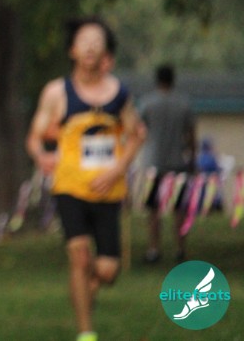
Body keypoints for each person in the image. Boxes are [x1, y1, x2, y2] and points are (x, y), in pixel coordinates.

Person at [25, 17, 146, 341]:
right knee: (79, 257)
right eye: (84, 40)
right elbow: (34, 137)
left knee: (107, 270)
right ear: (72, 50)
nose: (90, 46)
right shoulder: (57, 92)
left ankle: (83, 292)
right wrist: (41, 155)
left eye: (97, 41)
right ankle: (86, 333)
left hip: (108, 189)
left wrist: (117, 170)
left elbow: (137, 134)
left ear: (107, 52)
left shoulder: (119, 94)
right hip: (70, 187)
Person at [137, 63, 195, 263]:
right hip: (178, 162)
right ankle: (180, 249)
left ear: (157, 79)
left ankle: (154, 249)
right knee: (179, 209)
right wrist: (192, 158)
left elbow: (139, 130)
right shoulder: (183, 103)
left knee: (153, 210)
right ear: (173, 80)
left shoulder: (147, 103)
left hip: (153, 162)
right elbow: (191, 135)